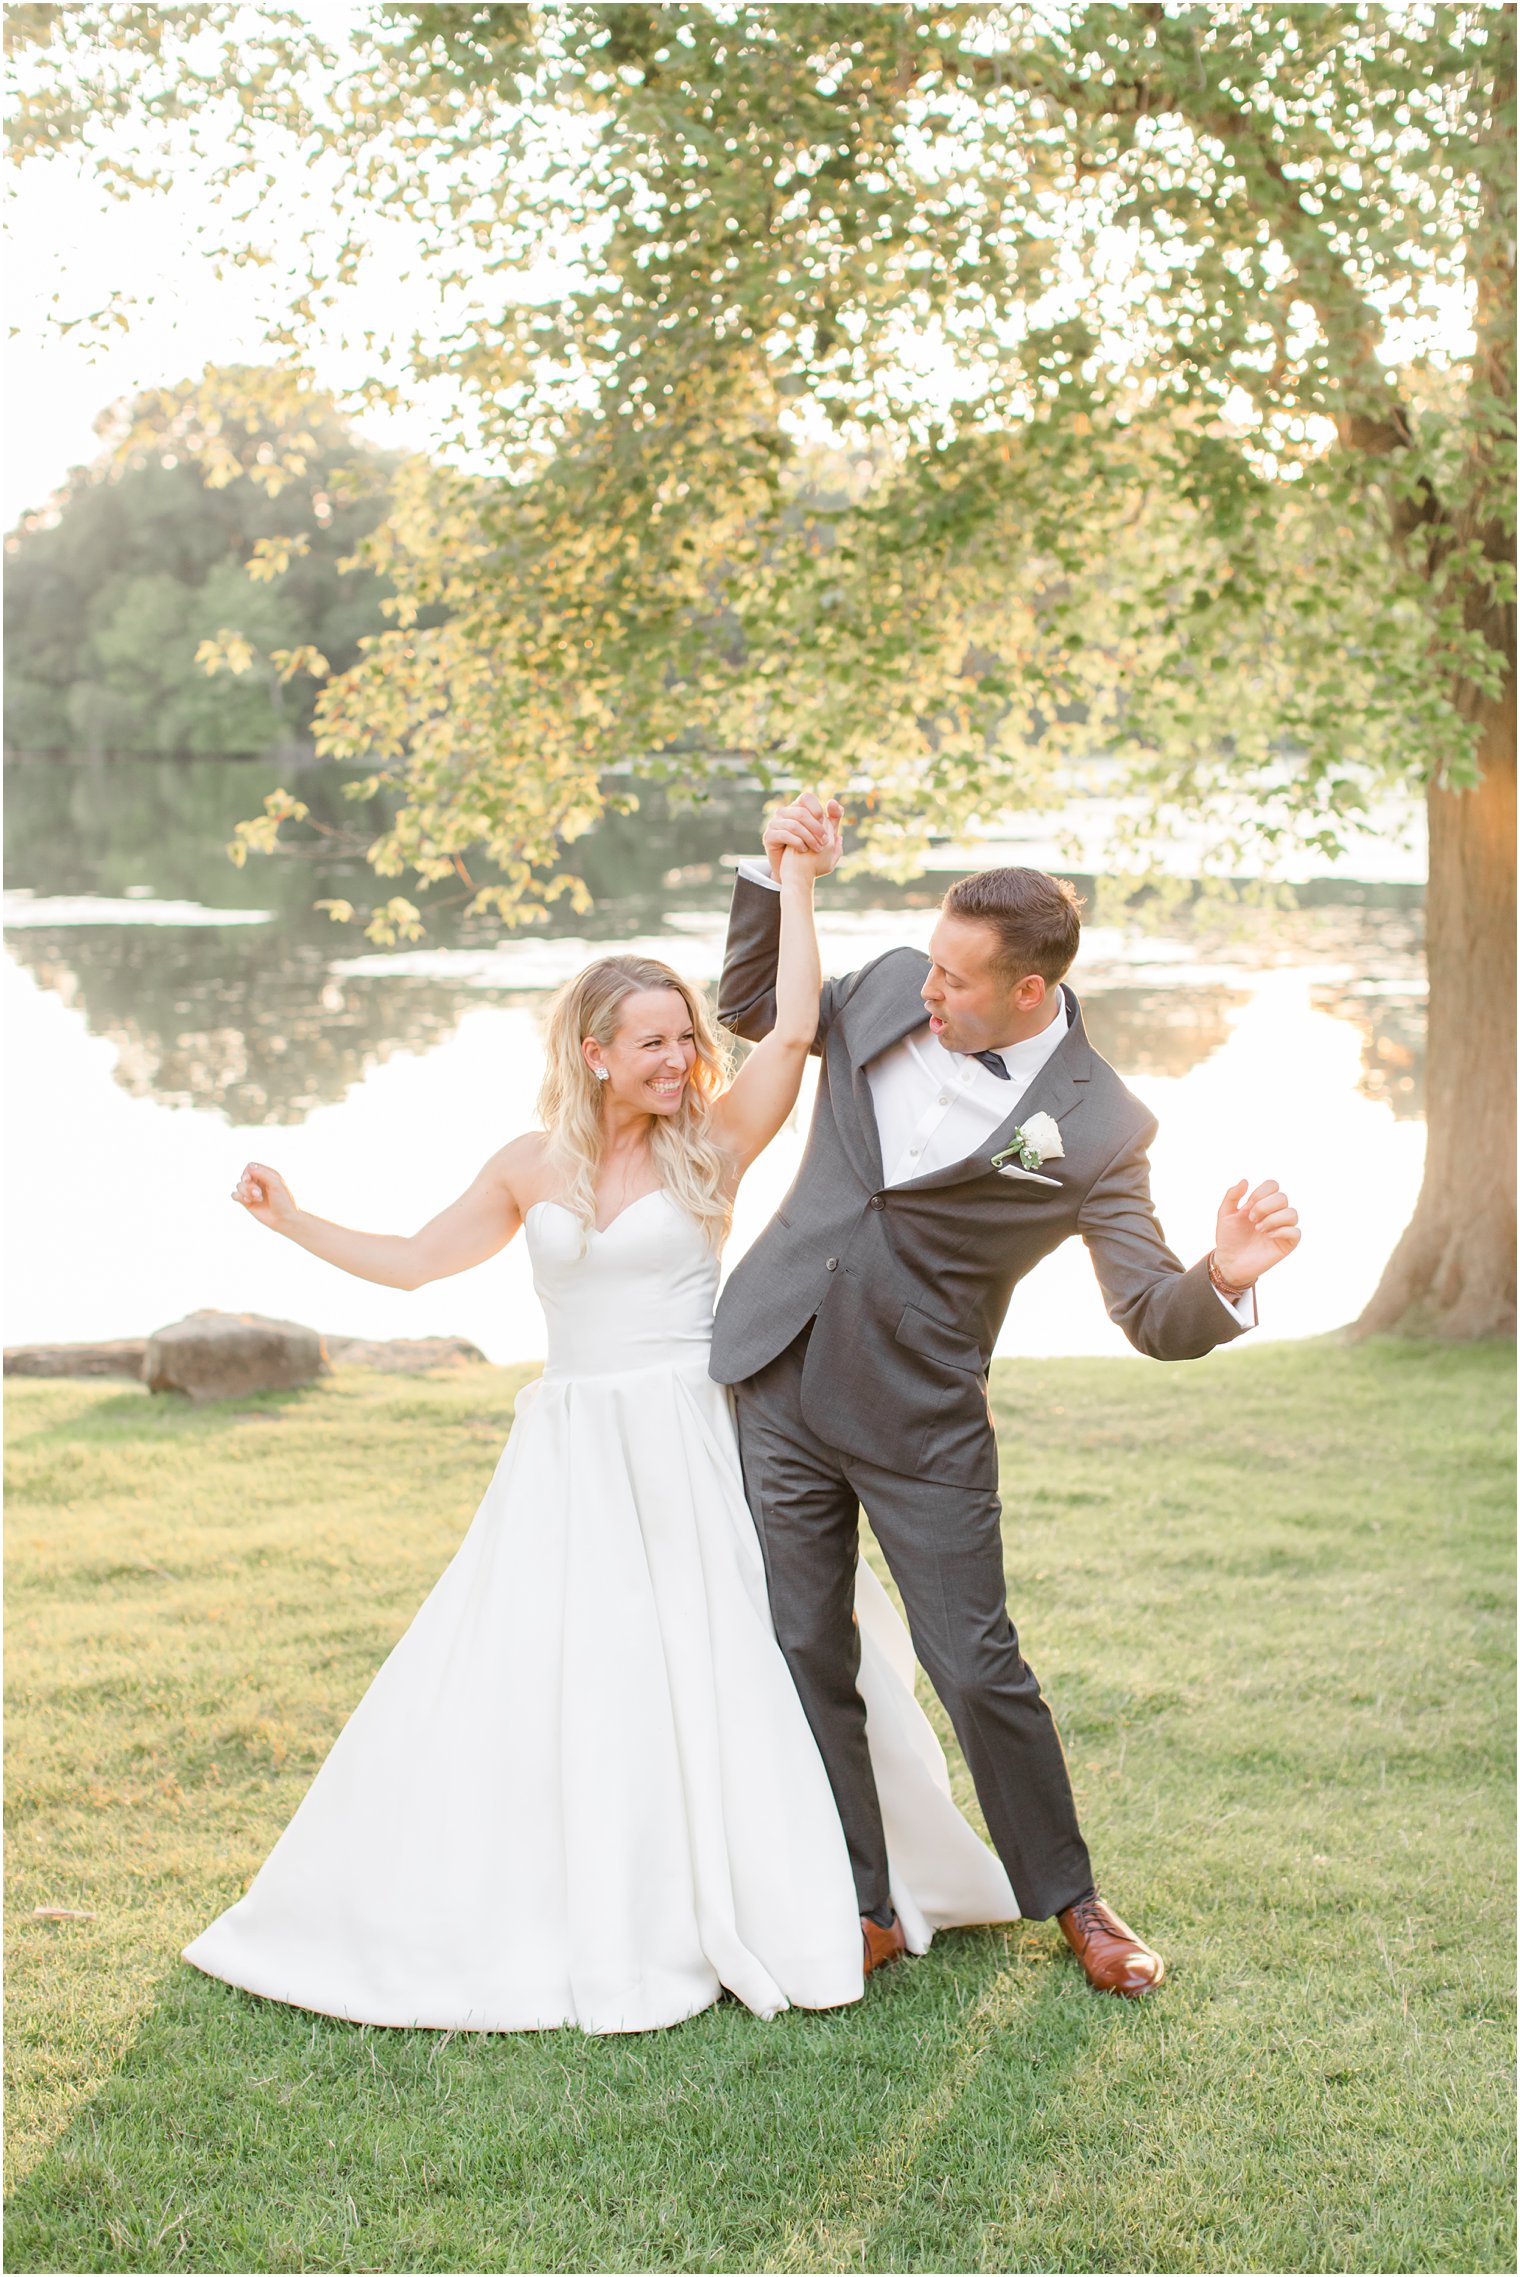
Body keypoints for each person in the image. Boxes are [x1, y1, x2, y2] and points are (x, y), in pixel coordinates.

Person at [182, 829, 1016, 2037]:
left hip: (690, 1433)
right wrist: (295, 1222)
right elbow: (418, 1265)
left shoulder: (712, 1148)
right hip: (568, 1449)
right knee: (554, 1664)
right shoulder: (528, 1166)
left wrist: (794, 883)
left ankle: (823, 1879)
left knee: (741, 1655)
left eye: (685, 1038)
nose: (680, 1059)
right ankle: (568, 1892)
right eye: (655, 1043)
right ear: (595, 1055)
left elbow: (789, 1034)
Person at [713, 793, 1302, 1996]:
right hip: (775, 1363)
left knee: (975, 1664)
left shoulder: (1100, 1127)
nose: (929, 994)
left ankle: (1072, 1902)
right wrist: (779, 874)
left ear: (1028, 992)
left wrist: (1223, 1276)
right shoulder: (885, 982)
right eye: (931, 966)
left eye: (958, 983)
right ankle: (861, 1904)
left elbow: (1147, 1314)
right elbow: (748, 1013)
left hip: (918, 1415)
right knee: (799, 1642)